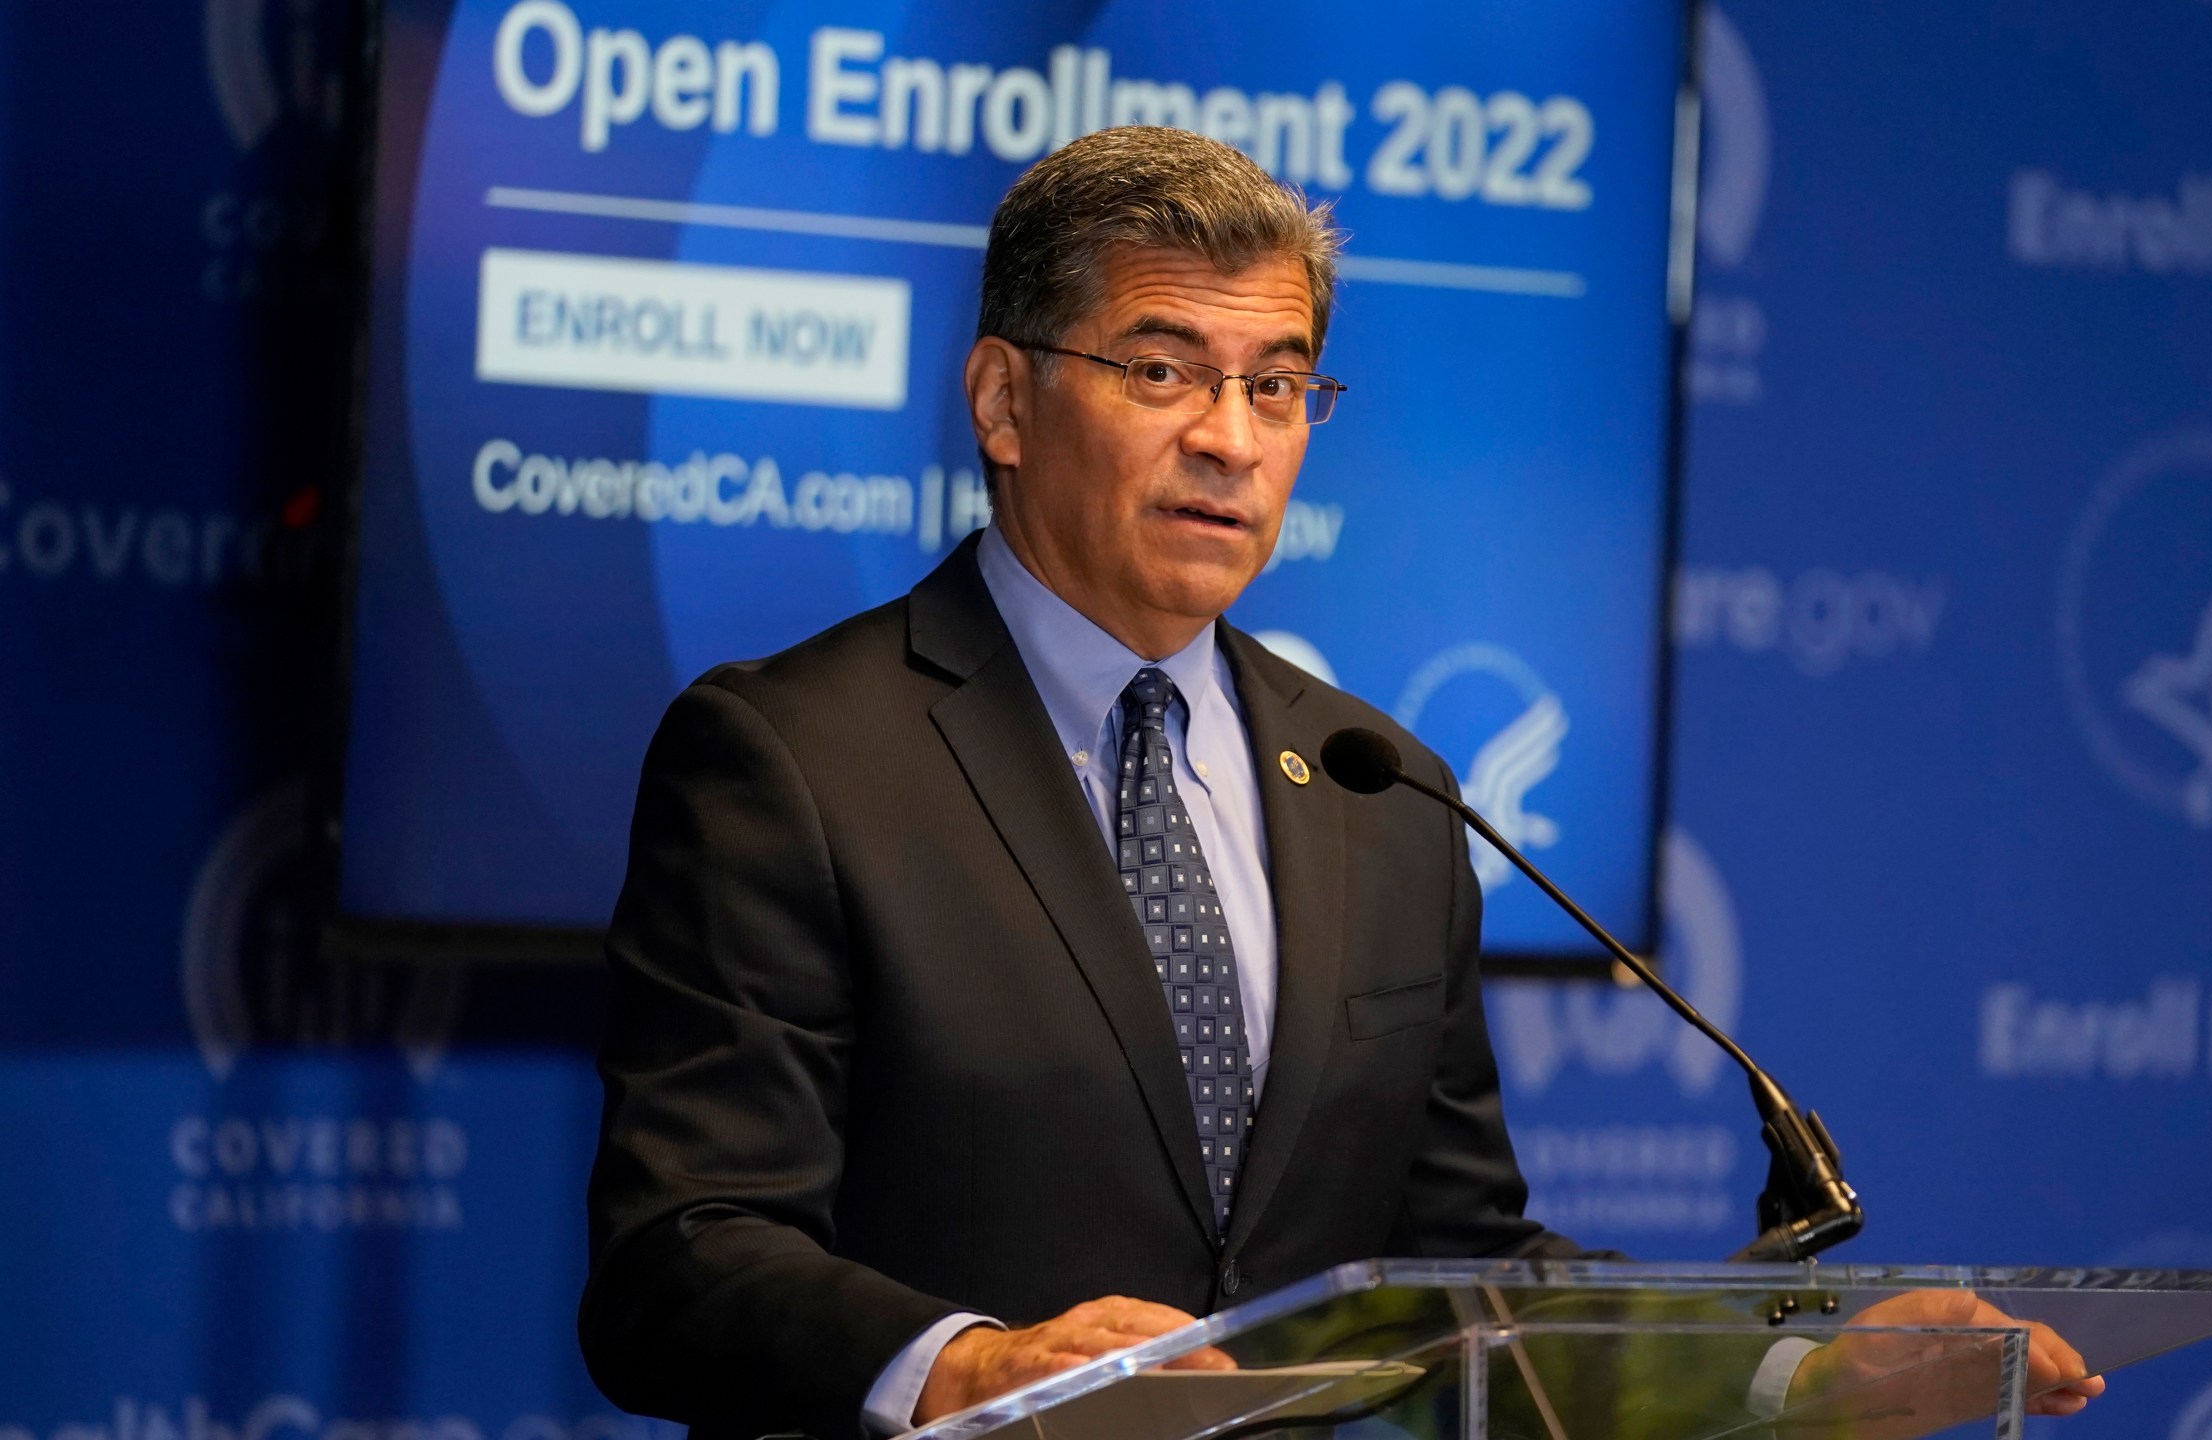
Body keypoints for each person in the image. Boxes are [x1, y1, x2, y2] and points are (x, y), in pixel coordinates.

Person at [579, 126, 2103, 1438]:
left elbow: (1465, 1276)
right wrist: (972, 1370)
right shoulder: (793, 756)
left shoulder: (1377, 786)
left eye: (1280, 384)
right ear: (1003, 399)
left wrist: (1797, 1383)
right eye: (1162, 367)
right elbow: (684, 1255)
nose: (1230, 440)